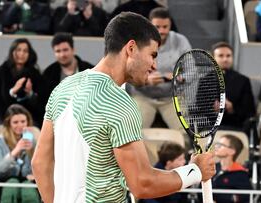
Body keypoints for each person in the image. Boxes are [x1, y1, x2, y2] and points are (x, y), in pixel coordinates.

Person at [32, 12, 216, 203]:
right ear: (131, 48)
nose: (154, 65)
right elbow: (142, 183)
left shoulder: (63, 88)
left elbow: (40, 163)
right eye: (152, 55)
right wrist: (195, 171)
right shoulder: (118, 102)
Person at [129, 7, 191, 130]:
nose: (161, 31)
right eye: (157, 27)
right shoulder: (137, 42)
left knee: (185, 132)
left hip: (172, 97)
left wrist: (178, 78)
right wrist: (145, 80)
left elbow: (191, 69)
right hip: (143, 95)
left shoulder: (181, 40)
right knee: (133, 130)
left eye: (165, 27)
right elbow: (128, 71)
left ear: (170, 25)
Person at [0, 104, 40, 202]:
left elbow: (37, 168)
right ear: (8, 124)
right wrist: (15, 152)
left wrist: (34, 175)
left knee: (27, 188)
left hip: (24, 183)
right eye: (15, 122)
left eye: (23, 121)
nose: (20, 125)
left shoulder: (32, 141)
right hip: (0, 184)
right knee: (12, 183)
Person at [0, 38, 44, 127]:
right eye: (18, 50)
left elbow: (41, 103)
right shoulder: (0, 73)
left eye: (25, 51)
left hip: (29, 121)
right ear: (12, 52)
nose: (21, 54)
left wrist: (30, 94)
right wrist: (13, 91)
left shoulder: (35, 74)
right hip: (4, 118)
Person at [211, 42, 256, 131]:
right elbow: (198, 109)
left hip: (235, 126)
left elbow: (250, 110)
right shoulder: (205, 80)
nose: (225, 59)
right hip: (209, 128)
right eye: (221, 56)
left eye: (228, 56)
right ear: (213, 58)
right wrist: (212, 109)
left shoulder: (243, 81)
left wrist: (232, 108)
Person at [42, 32, 94, 107]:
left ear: (73, 50)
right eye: (58, 51)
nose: (62, 55)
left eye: (65, 50)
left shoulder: (90, 70)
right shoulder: (48, 73)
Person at [212, 134, 252, 203]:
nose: (216, 147)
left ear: (232, 151)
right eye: (217, 144)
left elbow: (243, 198)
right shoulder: (211, 168)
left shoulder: (241, 174)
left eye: (221, 145)